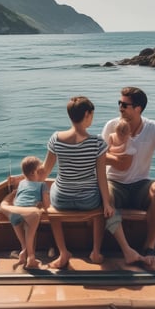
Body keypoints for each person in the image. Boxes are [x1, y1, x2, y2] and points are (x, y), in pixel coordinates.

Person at [102, 86, 155, 261]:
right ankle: (121, 247)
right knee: (104, 194)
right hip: (114, 183)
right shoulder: (112, 126)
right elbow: (100, 157)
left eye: (125, 104)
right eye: (119, 103)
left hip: (140, 185)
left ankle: (150, 246)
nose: (120, 108)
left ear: (138, 108)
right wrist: (117, 160)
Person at [40, 96, 114, 269]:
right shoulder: (98, 143)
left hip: (62, 199)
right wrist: (107, 204)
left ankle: (63, 252)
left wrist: (22, 179)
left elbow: (45, 171)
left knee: (52, 202)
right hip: (87, 200)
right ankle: (95, 252)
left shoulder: (56, 138)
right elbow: (101, 177)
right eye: (92, 114)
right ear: (87, 114)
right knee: (100, 210)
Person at [0, 156, 50, 269]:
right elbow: (47, 205)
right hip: (29, 212)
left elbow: (17, 198)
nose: (42, 173)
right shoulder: (42, 185)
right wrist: (42, 207)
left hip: (14, 212)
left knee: (24, 240)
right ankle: (31, 258)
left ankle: (23, 253)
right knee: (30, 235)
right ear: (33, 173)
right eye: (40, 171)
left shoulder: (21, 182)